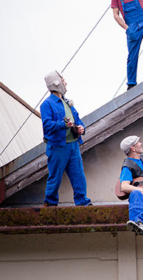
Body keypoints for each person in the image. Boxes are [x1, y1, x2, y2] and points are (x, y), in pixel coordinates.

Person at [40, 71, 92, 207]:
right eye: (63, 81)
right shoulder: (47, 104)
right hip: (58, 146)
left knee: (78, 175)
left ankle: (82, 203)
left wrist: (81, 128)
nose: (66, 83)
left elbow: (78, 120)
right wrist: (63, 125)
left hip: (73, 145)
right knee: (55, 176)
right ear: (56, 83)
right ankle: (50, 204)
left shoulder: (67, 102)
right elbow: (47, 126)